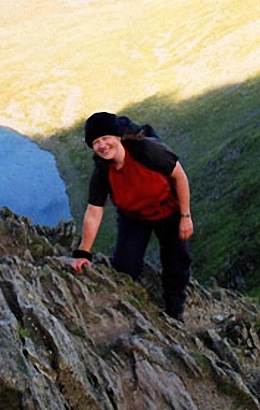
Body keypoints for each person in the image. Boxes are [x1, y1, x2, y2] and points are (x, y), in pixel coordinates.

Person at [71, 112, 194, 321]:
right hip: (134, 216)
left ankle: (175, 311)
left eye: (106, 138)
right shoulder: (102, 171)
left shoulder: (147, 150)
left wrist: (185, 216)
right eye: (96, 142)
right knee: (125, 267)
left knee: (177, 261)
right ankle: (133, 305)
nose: (102, 146)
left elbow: (179, 176)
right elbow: (94, 211)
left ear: (118, 136)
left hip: (168, 210)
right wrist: (83, 253)